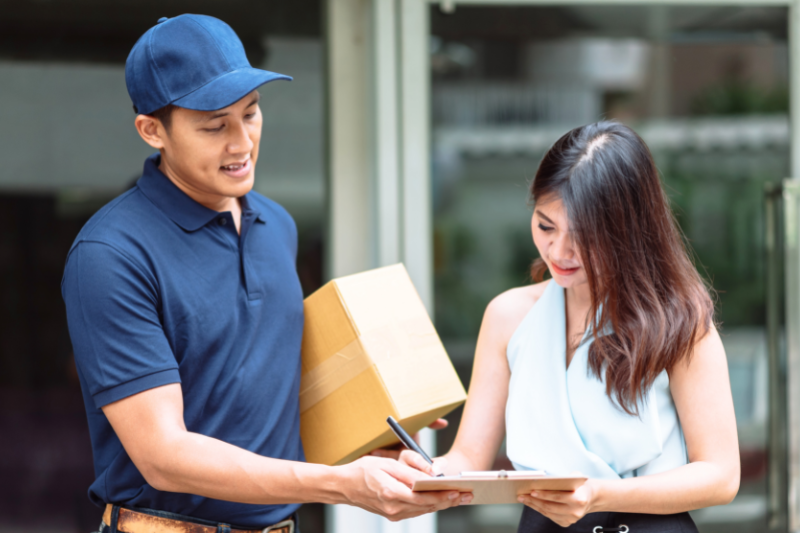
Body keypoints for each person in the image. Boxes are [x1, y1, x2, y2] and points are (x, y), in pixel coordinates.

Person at [61, 14, 469, 533]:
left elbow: (258, 398)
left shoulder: (275, 224)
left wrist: (372, 424)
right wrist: (340, 483)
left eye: (250, 115)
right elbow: (163, 455)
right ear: (151, 131)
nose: (241, 143)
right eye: (214, 126)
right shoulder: (111, 253)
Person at [397, 121, 740, 532]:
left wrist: (598, 494)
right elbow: (468, 458)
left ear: (628, 230)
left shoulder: (680, 322)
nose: (559, 251)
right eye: (545, 226)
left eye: (584, 236)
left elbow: (721, 476)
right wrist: (428, 469)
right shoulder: (508, 316)